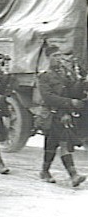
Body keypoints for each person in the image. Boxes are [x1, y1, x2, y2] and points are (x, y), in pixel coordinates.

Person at [37, 45, 87, 187]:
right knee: (60, 144)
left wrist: (81, 82)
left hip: (63, 113)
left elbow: (72, 90)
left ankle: (45, 171)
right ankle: (73, 175)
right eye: (55, 56)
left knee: (54, 144)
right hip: (52, 114)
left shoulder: (66, 73)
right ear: (48, 58)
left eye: (60, 56)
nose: (59, 59)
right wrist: (70, 102)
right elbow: (48, 97)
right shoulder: (44, 76)